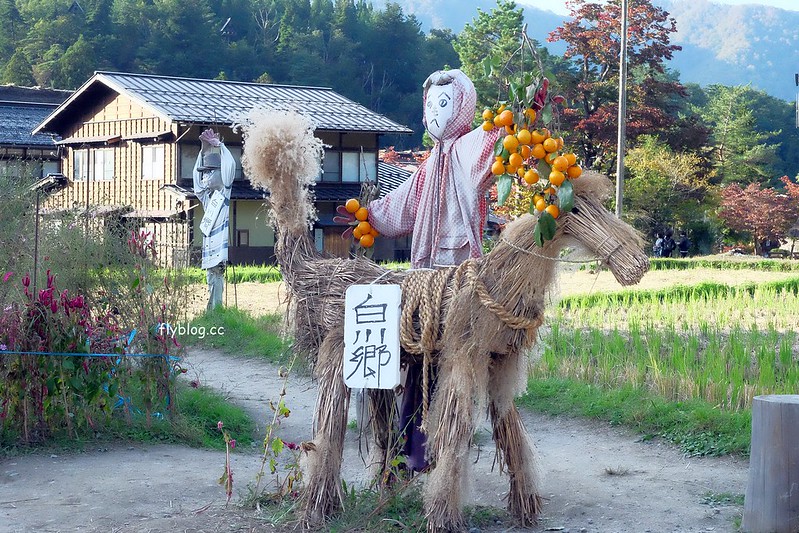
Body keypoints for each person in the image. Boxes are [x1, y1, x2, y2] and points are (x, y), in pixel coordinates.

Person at [365, 69, 501, 471]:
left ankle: (437, 454)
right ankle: (414, 452)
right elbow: (403, 202)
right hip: (424, 275)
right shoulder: (429, 165)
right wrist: (370, 215)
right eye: (431, 105)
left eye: (445, 104)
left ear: (462, 107)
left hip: (459, 271)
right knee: (420, 361)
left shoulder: (467, 147)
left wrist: (521, 116)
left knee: (450, 364)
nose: (435, 113)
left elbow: (495, 140)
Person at [193, 129, 236, 310]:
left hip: (219, 245)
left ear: (219, 173)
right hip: (209, 243)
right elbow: (197, 179)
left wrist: (220, 146)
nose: (206, 177)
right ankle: (212, 310)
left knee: (217, 276)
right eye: (205, 173)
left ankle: (216, 309)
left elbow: (230, 166)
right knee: (211, 277)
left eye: (210, 172)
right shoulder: (206, 196)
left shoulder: (224, 191)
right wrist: (204, 149)